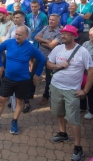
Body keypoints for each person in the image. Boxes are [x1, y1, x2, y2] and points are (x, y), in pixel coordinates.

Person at [0, 26, 46, 134]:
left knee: (20, 101)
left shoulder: (30, 47)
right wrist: (0, 65)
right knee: (1, 99)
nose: (17, 36)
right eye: (16, 34)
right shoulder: (9, 42)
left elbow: (42, 59)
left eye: (20, 35)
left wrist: (37, 75)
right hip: (8, 78)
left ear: (26, 36)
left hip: (23, 80)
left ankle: (14, 121)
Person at [47, 25, 93, 161]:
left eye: (67, 34)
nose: (63, 36)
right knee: (59, 112)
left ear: (74, 36)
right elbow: (49, 63)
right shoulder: (57, 48)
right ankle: (63, 133)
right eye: (62, 33)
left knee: (73, 119)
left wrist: (85, 90)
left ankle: (78, 147)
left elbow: (91, 71)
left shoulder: (82, 51)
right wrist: (58, 66)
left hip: (72, 90)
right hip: (55, 87)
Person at [35, 14, 62, 106]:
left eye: (53, 20)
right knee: (33, 75)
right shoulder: (46, 27)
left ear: (58, 22)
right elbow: (36, 37)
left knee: (48, 79)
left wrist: (41, 42)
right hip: (39, 56)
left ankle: (46, 96)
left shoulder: (59, 32)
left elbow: (52, 46)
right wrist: (46, 41)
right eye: (50, 19)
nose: (50, 21)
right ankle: (29, 94)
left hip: (50, 60)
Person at [81, 28, 93, 120]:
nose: (92, 36)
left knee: (91, 92)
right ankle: (82, 107)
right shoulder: (85, 44)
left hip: (91, 72)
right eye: (90, 34)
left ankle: (91, 111)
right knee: (81, 88)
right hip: (83, 71)